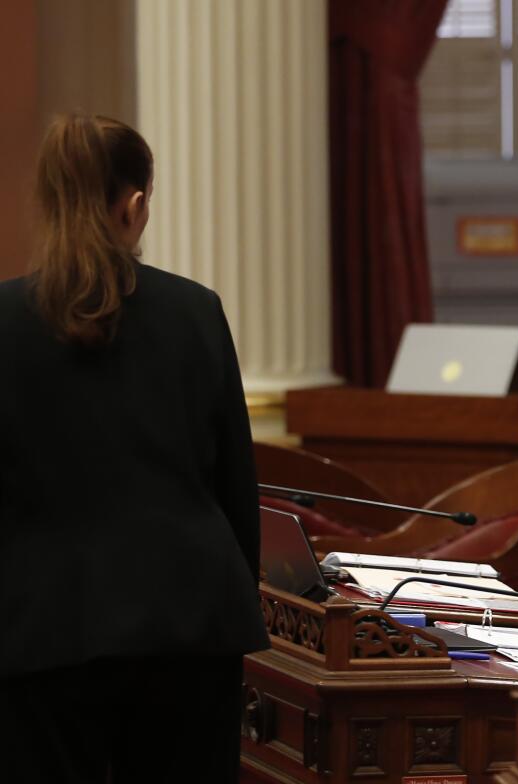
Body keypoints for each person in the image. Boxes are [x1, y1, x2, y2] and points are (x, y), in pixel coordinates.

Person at [0, 114, 269, 782]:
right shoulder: (196, 311)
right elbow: (237, 483)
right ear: (136, 205)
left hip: (39, 627)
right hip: (191, 618)